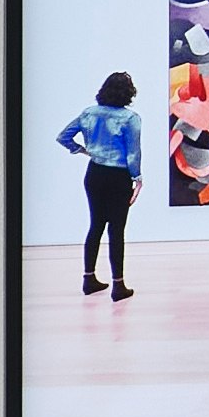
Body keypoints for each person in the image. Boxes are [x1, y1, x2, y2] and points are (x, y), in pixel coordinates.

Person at [57, 64, 145, 298]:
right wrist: (137, 178)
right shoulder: (130, 118)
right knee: (116, 230)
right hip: (118, 177)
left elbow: (63, 136)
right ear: (129, 93)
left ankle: (89, 279)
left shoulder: (89, 113)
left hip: (94, 173)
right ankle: (118, 285)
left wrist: (82, 150)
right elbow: (133, 153)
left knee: (95, 225)